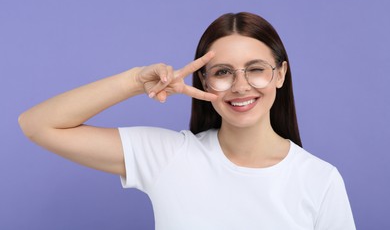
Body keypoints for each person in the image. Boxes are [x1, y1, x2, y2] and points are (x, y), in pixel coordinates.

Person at [19, 12, 356, 229]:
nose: (241, 86)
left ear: (280, 74)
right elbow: (37, 124)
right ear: (205, 82)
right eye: (223, 72)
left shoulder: (320, 180)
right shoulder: (169, 156)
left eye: (256, 69)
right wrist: (135, 81)